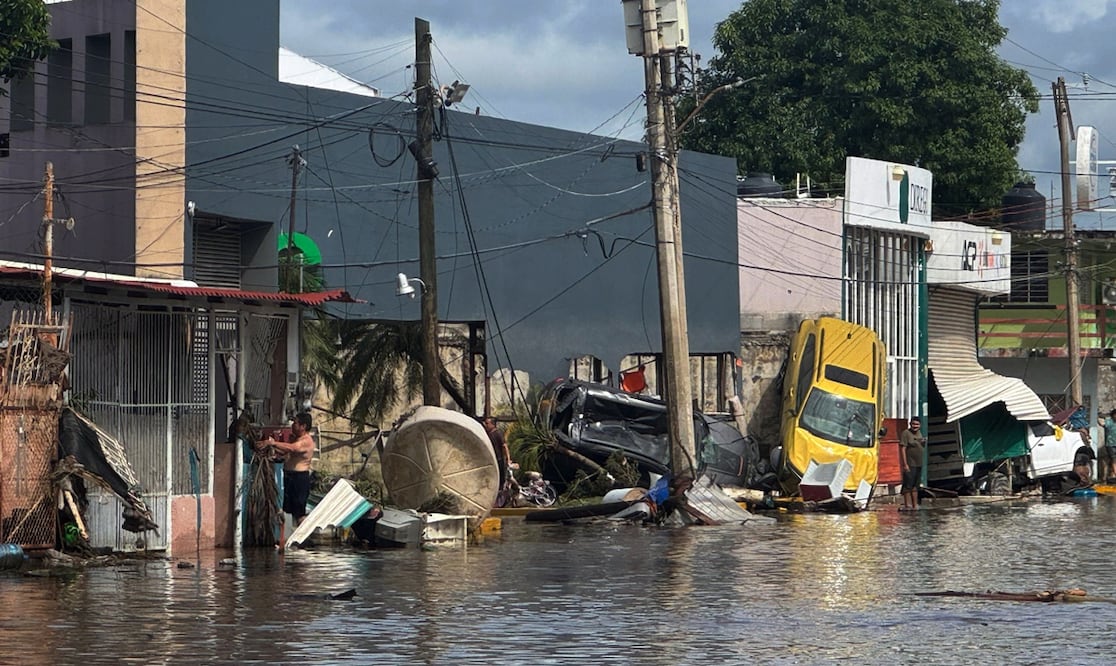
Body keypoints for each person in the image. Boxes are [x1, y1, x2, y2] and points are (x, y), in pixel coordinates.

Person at [264, 412, 316, 526]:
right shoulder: (295, 439)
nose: (293, 425)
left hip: (299, 479)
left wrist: (273, 443)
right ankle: (287, 537)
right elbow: (286, 451)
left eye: (296, 423)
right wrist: (272, 448)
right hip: (289, 477)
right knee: (287, 510)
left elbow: (293, 448)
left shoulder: (306, 441)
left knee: (299, 513)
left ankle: (302, 538)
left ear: (303, 426)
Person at [899, 417, 926, 512]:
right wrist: (905, 464)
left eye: (917, 424)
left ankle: (915, 505)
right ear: (910, 424)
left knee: (915, 485)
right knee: (908, 485)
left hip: (919, 464)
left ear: (920, 425)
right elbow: (903, 448)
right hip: (910, 463)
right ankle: (907, 505)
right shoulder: (906, 433)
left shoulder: (920, 433)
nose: (915, 426)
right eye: (913, 424)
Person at [483, 416, 513, 494]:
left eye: (487, 423)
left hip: (498, 459)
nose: (485, 425)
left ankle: (501, 495)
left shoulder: (498, 433)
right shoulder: (489, 434)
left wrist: (508, 459)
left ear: (492, 424)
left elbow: (504, 446)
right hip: (491, 459)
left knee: (500, 478)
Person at [1099, 409, 1116, 482]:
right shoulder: (1109, 421)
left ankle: (1113, 475)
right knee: (1114, 459)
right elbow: (1101, 423)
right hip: (1110, 444)